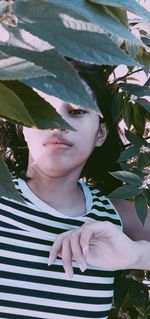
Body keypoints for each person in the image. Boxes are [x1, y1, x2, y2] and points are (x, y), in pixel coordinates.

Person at [0, 62, 150, 319]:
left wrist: (136, 255)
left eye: (77, 111)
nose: (58, 122)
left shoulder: (115, 215)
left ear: (100, 133)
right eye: (43, 108)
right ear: (22, 125)